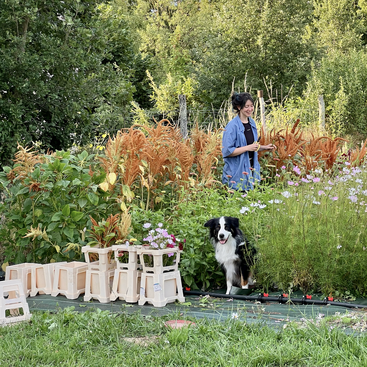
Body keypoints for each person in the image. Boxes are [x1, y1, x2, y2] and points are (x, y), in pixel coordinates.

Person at [222, 92, 276, 191]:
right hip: (236, 175)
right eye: (246, 106)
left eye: (251, 106)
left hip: (251, 173)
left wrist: (264, 147)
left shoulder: (252, 123)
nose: (250, 109)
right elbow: (227, 151)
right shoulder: (232, 126)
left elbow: (252, 146)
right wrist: (248, 148)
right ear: (239, 107)